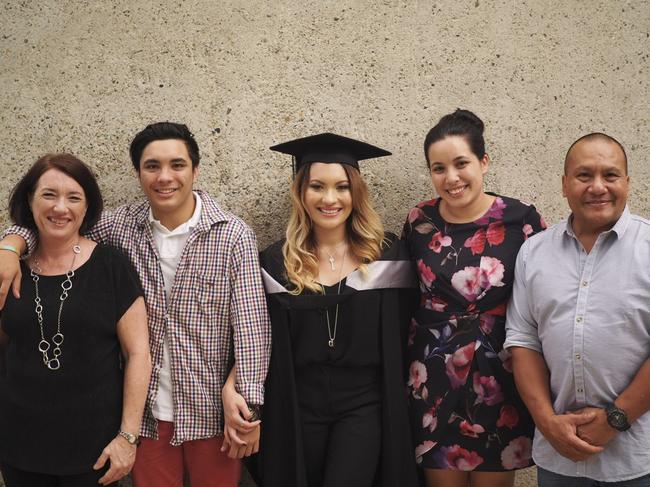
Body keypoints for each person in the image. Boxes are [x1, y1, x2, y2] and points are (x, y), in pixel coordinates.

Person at [0, 123, 271, 487]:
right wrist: (11, 244)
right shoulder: (117, 227)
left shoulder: (232, 235)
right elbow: (58, 228)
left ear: (195, 170)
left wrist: (248, 402)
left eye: (177, 165)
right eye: (152, 166)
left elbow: (253, 326)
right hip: (148, 418)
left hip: (210, 412)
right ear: (138, 173)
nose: (165, 177)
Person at [237, 132, 418, 487]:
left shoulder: (387, 256)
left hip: (363, 405)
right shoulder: (276, 263)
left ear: (357, 193)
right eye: (317, 186)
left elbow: (407, 332)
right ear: (301, 193)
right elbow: (254, 334)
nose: (330, 198)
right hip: (297, 405)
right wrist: (233, 385)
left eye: (342, 187)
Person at [403, 109, 546, 487]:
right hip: (432, 373)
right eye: (438, 168)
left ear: (483, 161)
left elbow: (542, 295)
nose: (451, 178)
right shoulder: (419, 220)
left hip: (497, 373)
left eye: (461, 163)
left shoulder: (521, 219)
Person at [504, 133, 650, 486]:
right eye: (584, 175)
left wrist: (616, 418)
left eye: (610, 175)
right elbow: (523, 341)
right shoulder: (533, 253)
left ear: (628, 183)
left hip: (636, 458)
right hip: (558, 458)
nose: (598, 186)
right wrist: (547, 422)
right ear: (565, 185)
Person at [0, 153, 151, 486]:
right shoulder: (10, 269)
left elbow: (139, 353)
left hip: (95, 453)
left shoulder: (111, 264)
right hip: (18, 447)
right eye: (49, 195)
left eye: (73, 197)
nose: (60, 208)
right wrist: (9, 248)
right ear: (30, 199)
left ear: (86, 207)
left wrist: (128, 437)